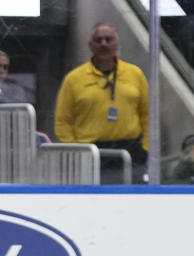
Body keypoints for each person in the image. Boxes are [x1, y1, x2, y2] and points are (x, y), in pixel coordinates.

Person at [54, 22, 149, 178]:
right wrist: (74, 151)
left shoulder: (135, 74)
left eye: (108, 39)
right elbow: (62, 121)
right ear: (91, 45)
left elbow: (147, 115)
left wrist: (146, 148)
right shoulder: (73, 79)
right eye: (98, 40)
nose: (103, 44)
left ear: (116, 44)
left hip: (131, 153)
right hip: (90, 153)